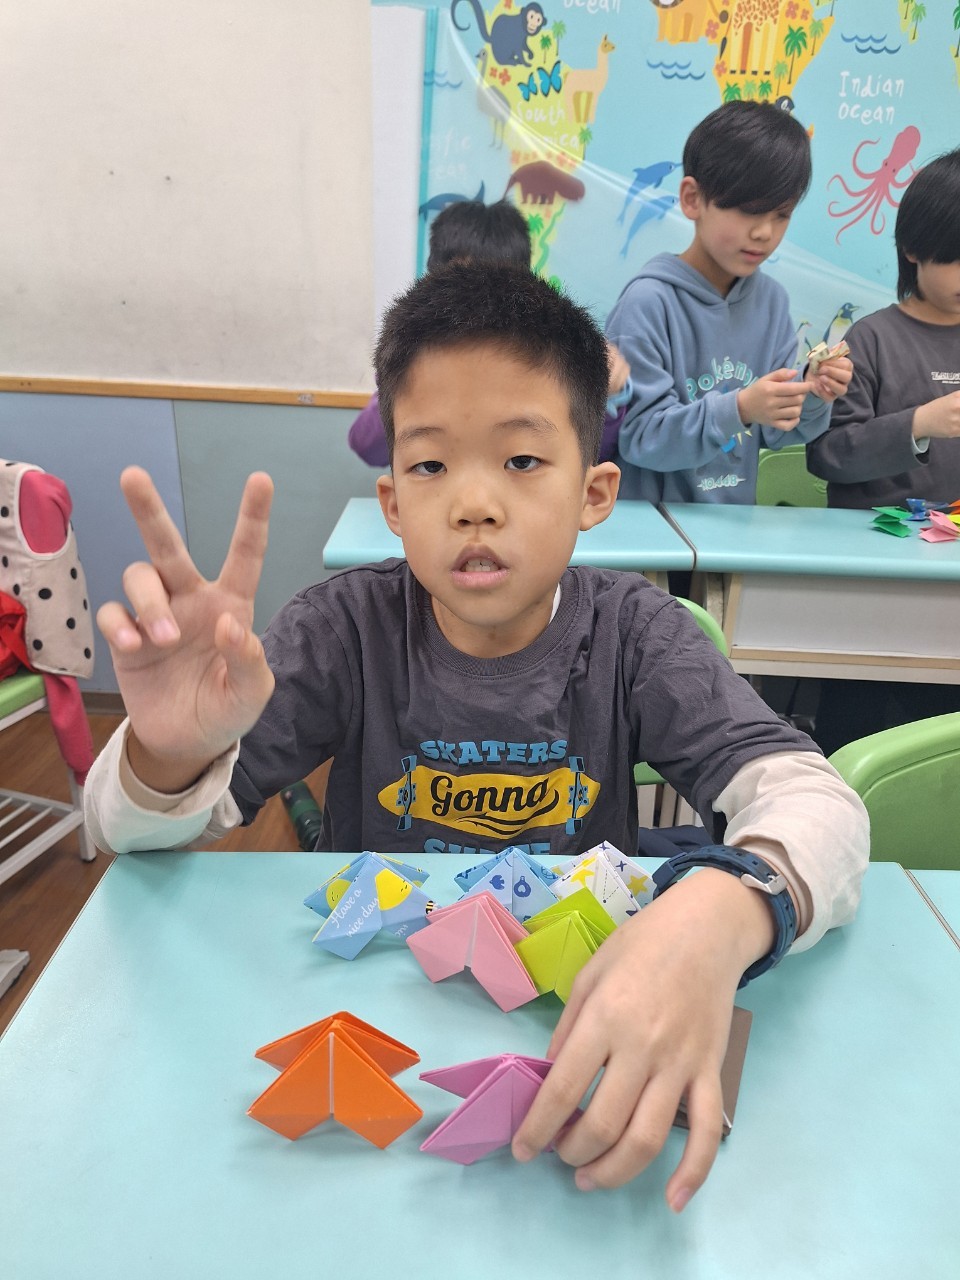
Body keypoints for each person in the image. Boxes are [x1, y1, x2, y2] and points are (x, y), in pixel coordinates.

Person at [85, 263, 868, 1210]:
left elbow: (819, 802)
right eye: (429, 466)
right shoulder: (344, 631)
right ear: (392, 504)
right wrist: (169, 754)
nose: (473, 503)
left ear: (594, 492)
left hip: (562, 1024)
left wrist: (724, 911)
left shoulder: (633, 634)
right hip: (376, 1032)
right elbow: (128, 836)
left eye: (522, 461)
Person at [606, 100, 853, 504]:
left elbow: (777, 433)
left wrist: (812, 392)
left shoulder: (772, 303)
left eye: (781, 214)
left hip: (731, 530)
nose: (764, 232)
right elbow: (641, 438)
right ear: (692, 199)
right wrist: (739, 409)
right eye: (748, 210)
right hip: (652, 530)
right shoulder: (648, 303)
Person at [804, 147, 960, 753]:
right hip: (871, 588)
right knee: (858, 729)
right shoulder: (871, 340)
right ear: (914, 249)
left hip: (950, 595)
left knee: (940, 740)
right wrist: (919, 424)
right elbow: (828, 454)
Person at [349, 198, 630, 466]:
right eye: (463, 284)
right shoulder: (415, 353)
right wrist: (403, 387)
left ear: (523, 282)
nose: (479, 301)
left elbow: (588, 457)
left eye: (497, 285)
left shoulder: (545, 354)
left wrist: (607, 395)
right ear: (434, 280)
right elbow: (367, 447)